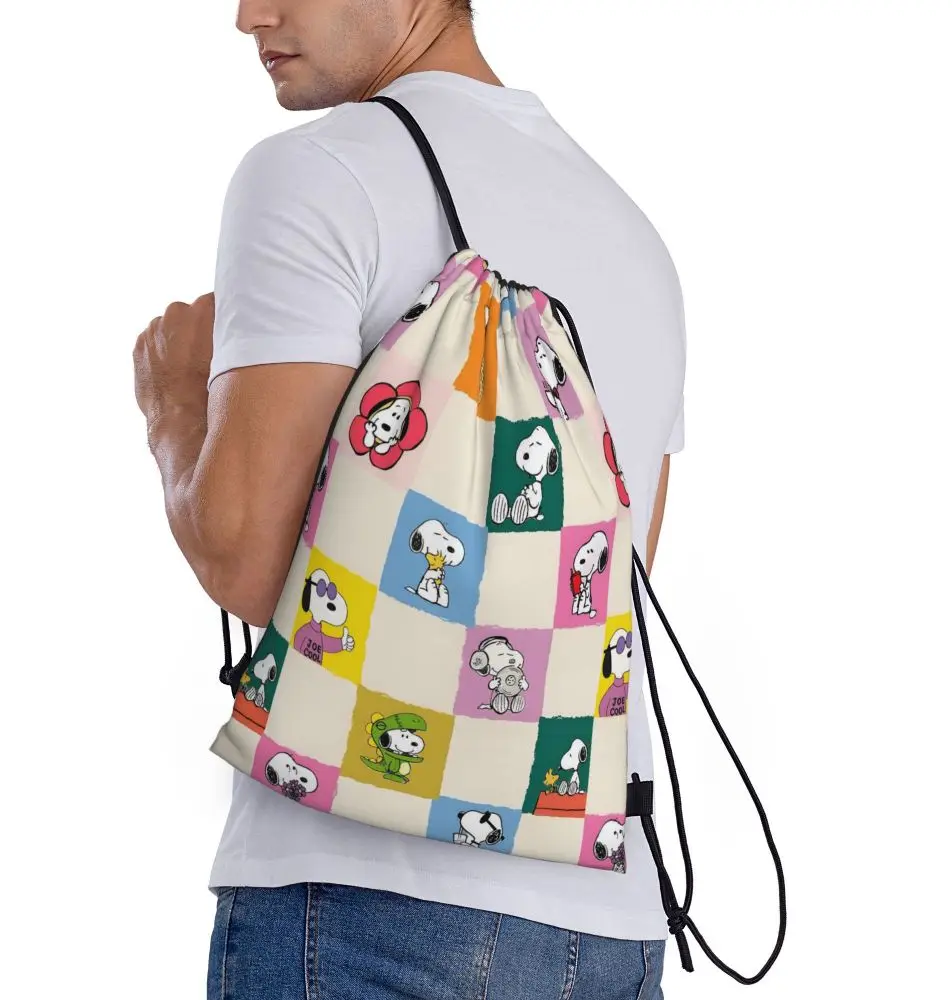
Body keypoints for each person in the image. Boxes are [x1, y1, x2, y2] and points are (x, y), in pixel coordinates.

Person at [133, 2, 686, 997]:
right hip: (614, 925)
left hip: (371, 908)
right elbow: (608, 586)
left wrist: (174, 403)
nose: (248, 15)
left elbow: (246, 562)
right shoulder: (632, 233)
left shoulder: (319, 173)